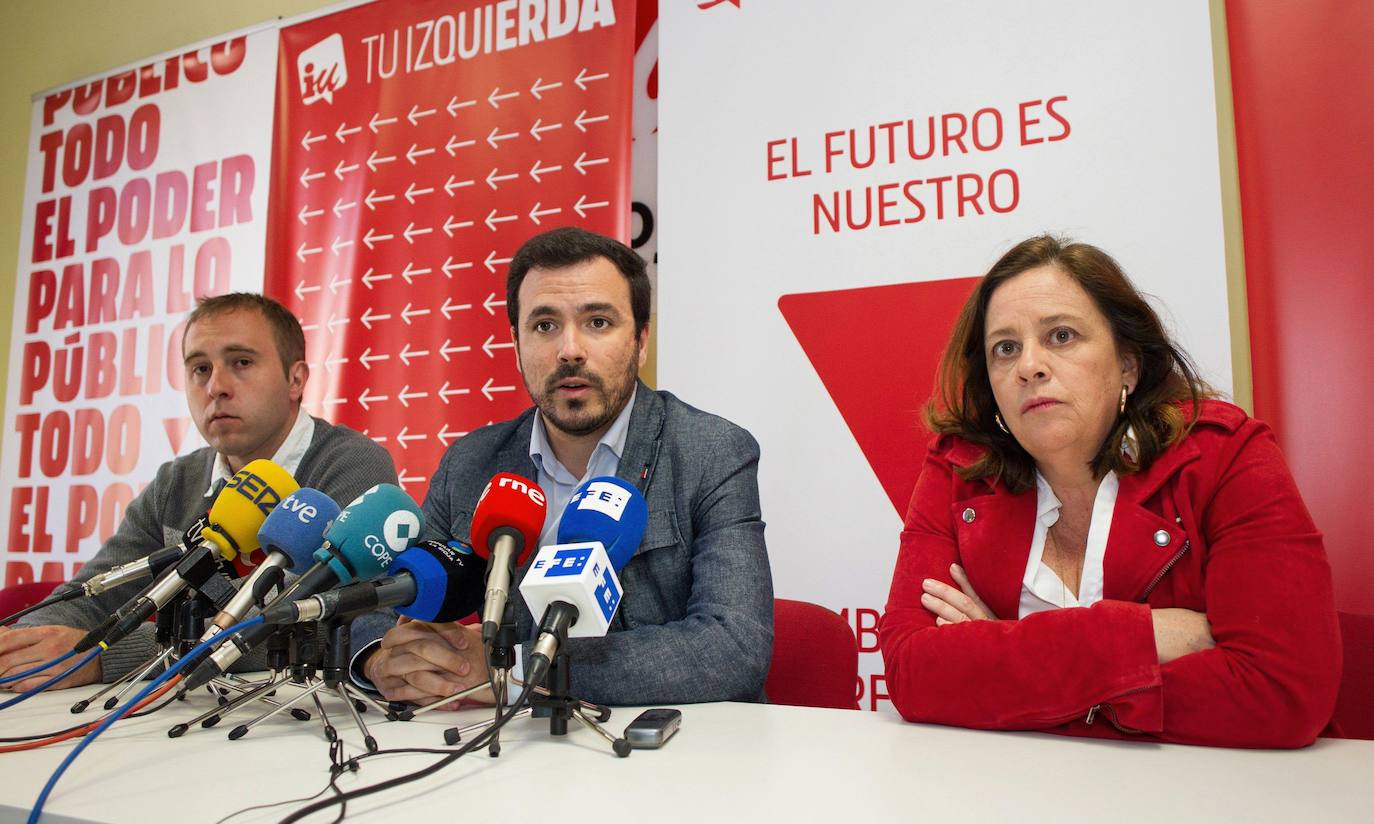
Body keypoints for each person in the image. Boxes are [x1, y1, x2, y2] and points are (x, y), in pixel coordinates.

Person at [879, 235, 1341, 748]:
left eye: (1061, 336)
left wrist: (1000, 658)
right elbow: (911, 673)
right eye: (1005, 348)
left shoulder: (1224, 456)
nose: (1029, 366)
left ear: (1127, 364)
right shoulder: (959, 468)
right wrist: (1145, 637)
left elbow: (1283, 694)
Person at [356, 227, 773, 707]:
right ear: (515, 343)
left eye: (597, 322)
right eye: (545, 326)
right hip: (503, 760)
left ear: (641, 340)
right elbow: (385, 598)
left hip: (671, 759)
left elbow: (733, 647)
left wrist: (510, 672)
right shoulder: (471, 463)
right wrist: (380, 659)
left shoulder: (711, 452)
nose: (569, 350)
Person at [0, 293, 397, 691]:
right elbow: (98, 596)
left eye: (241, 362)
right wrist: (21, 646)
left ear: (295, 380)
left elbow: (318, 622)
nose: (216, 387)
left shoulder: (351, 465)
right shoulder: (176, 481)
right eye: (200, 369)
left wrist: (106, 657)